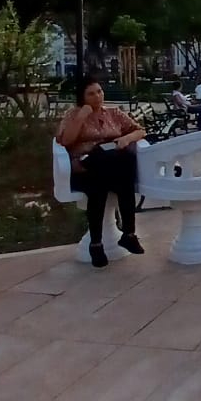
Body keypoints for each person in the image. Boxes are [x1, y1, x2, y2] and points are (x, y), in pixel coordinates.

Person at [56, 77, 146, 267]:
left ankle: (118, 237)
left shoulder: (113, 112)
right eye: (91, 93)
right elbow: (65, 141)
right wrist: (81, 116)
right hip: (85, 164)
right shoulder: (73, 115)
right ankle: (119, 237)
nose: (97, 96)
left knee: (120, 174)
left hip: (106, 168)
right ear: (82, 97)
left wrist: (126, 139)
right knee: (110, 167)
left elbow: (140, 131)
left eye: (99, 91)